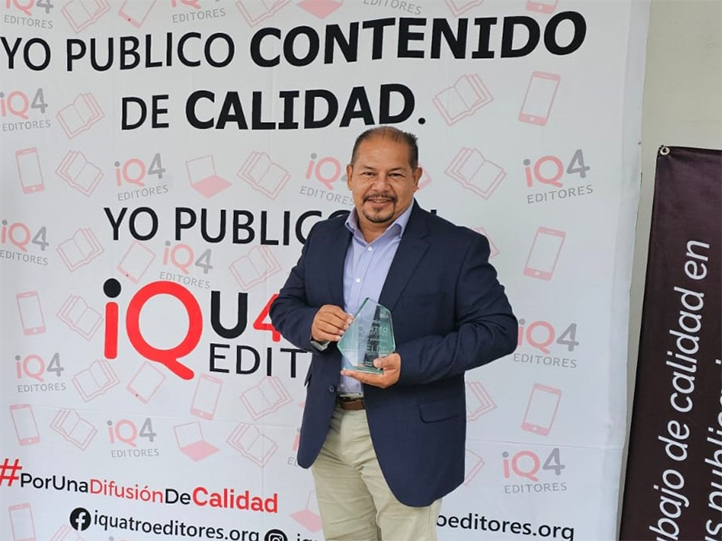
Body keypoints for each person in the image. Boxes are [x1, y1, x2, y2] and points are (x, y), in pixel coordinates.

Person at [270, 126, 517, 541]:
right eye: (369, 173)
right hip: (329, 426)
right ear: (349, 176)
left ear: (416, 178)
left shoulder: (455, 247)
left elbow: (498, 330)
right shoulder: (324, 236)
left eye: (395, 174)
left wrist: (410, 364)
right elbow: (285, 306)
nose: (380, 186)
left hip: (410, 433)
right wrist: (310, 323)